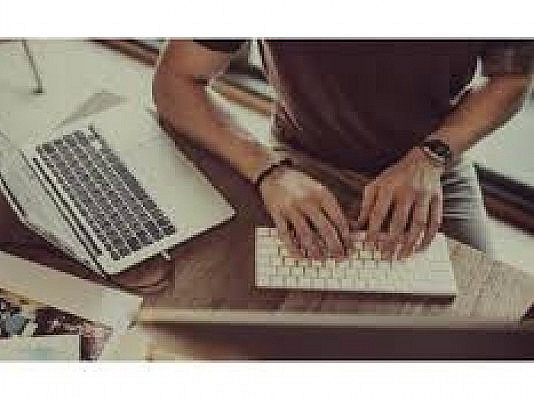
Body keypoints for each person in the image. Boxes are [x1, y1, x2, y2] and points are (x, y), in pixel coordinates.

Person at [152, 40, 533, 260]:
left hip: (434, 163)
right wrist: (269, 170)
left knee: (476, 339)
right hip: (300, 161)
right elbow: (177, 79)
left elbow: (512, 79)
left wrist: (430, 156)